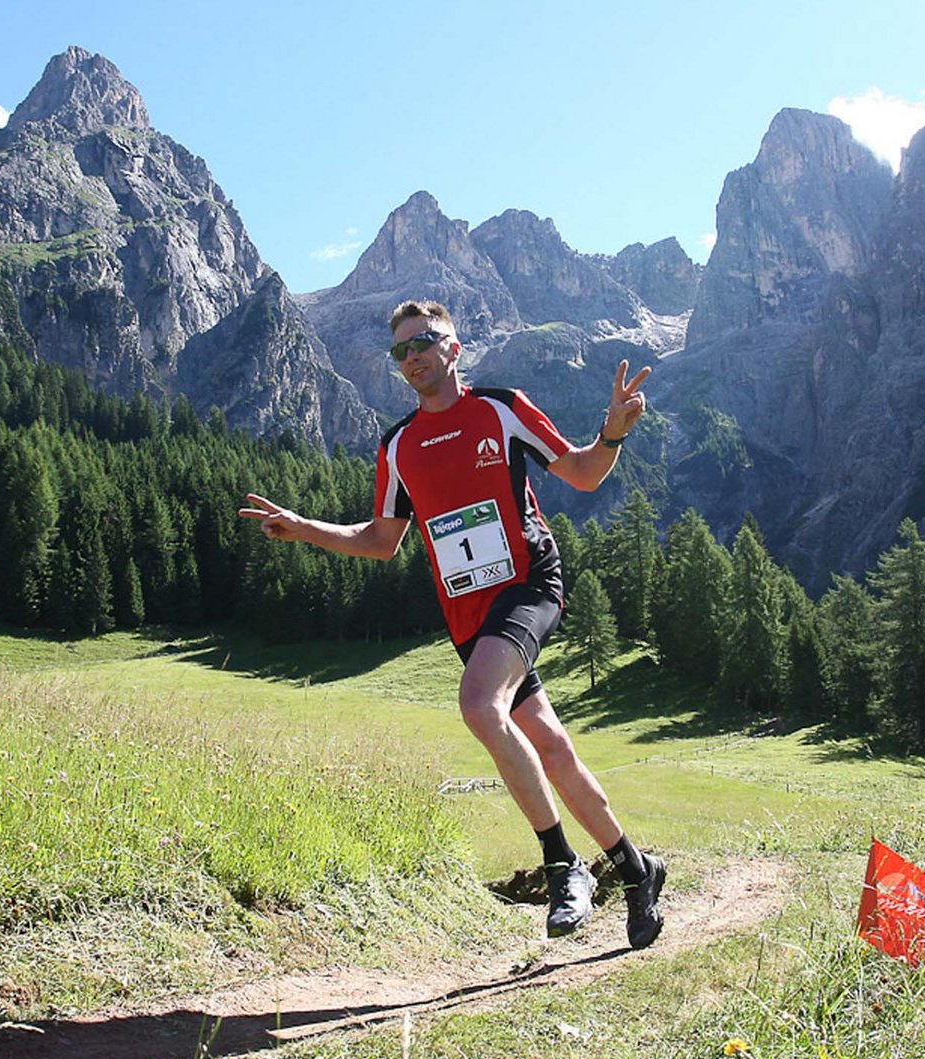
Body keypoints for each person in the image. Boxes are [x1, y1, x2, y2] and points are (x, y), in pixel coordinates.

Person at [240, 299, 666, 949]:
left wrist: (611, 434)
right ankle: (638, 872)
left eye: (423, 342)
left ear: (453, 348)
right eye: (400, 351)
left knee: (477, 703)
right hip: (467, 615)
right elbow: (381, 538)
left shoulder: (500, 408)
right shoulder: (399, 447)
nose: (411, 358)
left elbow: (581, 473)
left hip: (528, 585)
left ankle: (563, 867)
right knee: (550, 746)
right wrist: (303, 529)